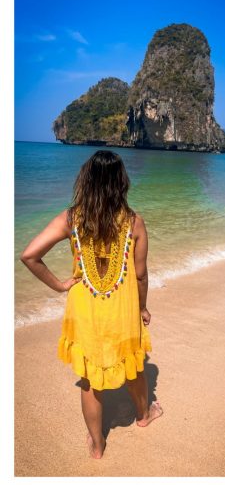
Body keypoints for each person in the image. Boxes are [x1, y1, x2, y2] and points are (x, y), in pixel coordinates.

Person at [20, 150, 162, 459]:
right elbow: (139, 275)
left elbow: (29, 255)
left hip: (85, 310)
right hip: (122, 310)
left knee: (89, 381)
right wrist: (142, 307)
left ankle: (97, 446)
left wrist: (60, 285)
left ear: (85, 180)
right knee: (135, 366)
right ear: (121, 183)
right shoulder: (134, 222)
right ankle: (143, 416)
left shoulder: (71, 219)